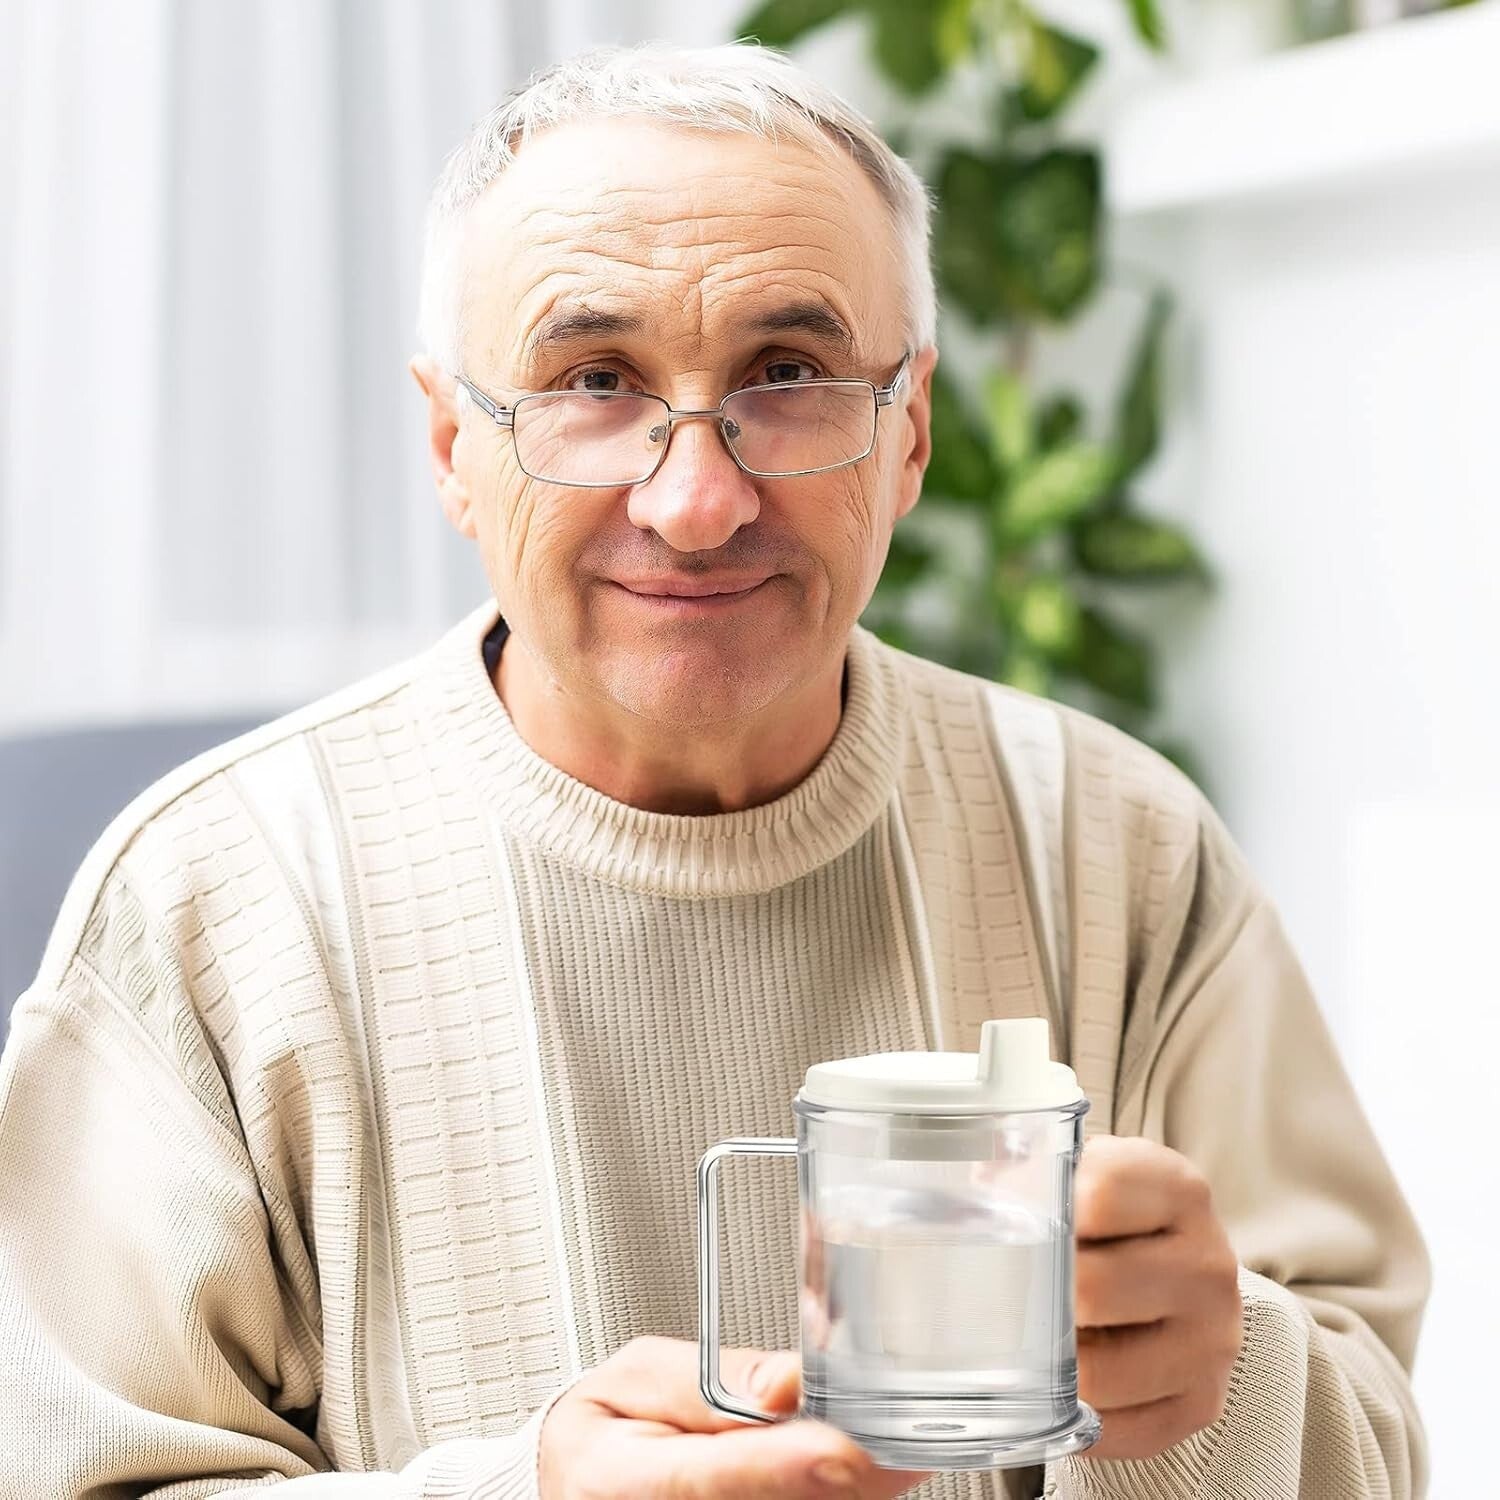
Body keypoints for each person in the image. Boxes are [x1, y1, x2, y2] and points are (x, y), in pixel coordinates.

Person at [0, 39, 1427, 1500]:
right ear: (451, 445)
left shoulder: (1120, 848)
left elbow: (1378, 1440)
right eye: (594, 379)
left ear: (910, 431)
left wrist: (1225, 1372)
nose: (696, 502)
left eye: (790, 374)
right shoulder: (207, 906)